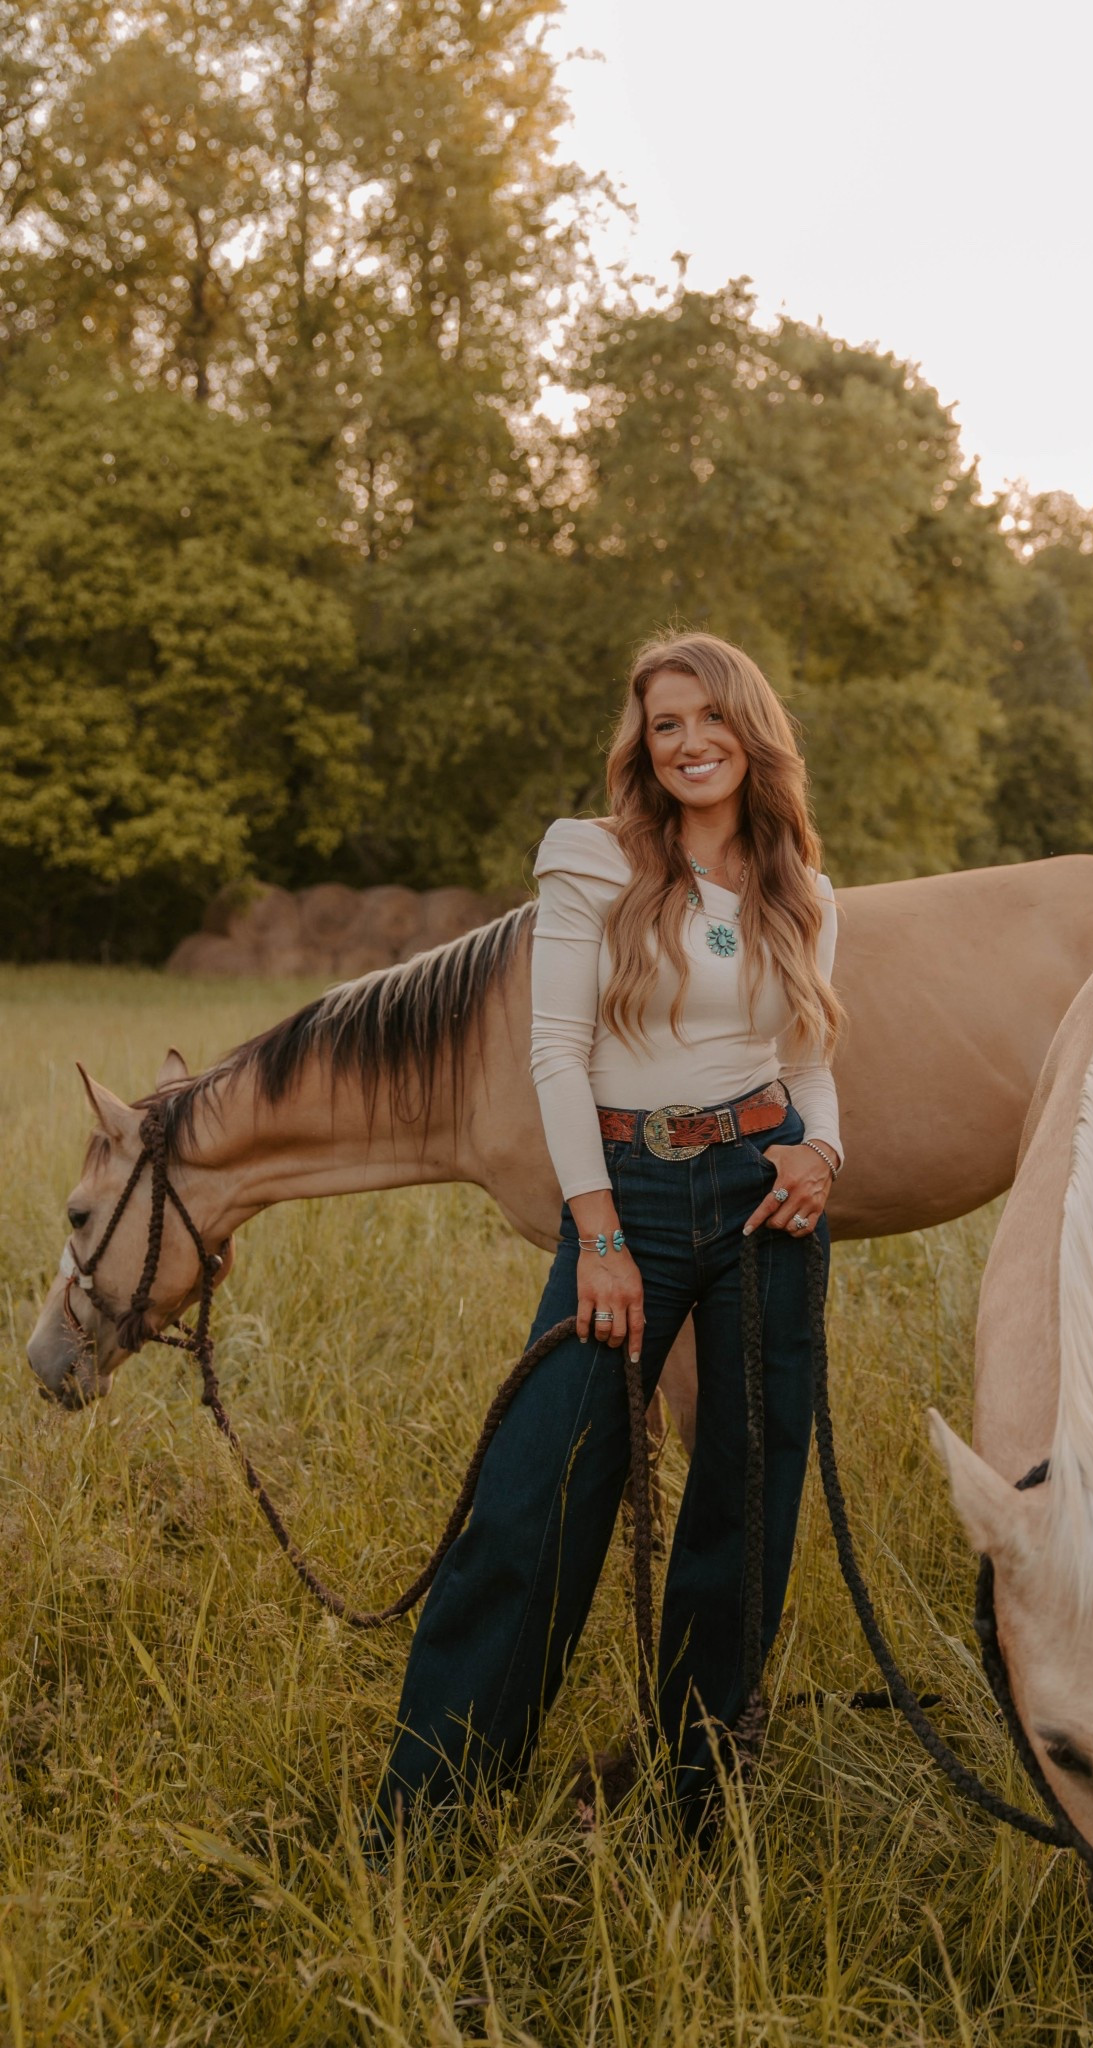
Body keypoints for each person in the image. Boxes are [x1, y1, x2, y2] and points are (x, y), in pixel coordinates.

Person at [374, 631, 844, 1837]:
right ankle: (432, 1809)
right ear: (641, 745)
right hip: (628, 1188)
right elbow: (555, 1051)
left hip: (762, 1194)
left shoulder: (799, 886)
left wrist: (818, 1149)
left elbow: (809, 1059)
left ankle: (695, 1797)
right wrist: (595, 1231)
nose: (687, 743)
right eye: (663, 724)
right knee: (541, 1491)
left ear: (751, 728)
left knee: (745, 1503)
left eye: (706, 718)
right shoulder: (592, 859)